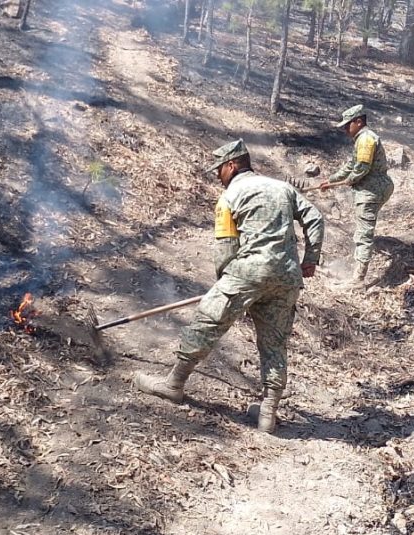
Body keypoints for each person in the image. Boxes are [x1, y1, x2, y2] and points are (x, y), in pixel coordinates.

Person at [134, 140, 325, 433]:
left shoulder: (230, 196)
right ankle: (267, 414)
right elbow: (315, 218)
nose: (217, 176)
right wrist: (310, 259)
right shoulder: (283, 188)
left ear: (232, 165)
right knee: (274, 343)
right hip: (287, 278)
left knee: (207, 321)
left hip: (248, 270)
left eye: (219, 169)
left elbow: (225, 249)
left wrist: (226, 284)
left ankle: (173, 384)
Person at [318, 104, 394, 285]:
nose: (345, 129)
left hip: (371, 191)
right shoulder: (361, 139)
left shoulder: (366, 139)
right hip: (372, 189)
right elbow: (351, 165)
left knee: (363, 234)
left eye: (347, 125)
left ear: (358, 122)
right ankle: (358, 270)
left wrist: (350, 180)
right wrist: (331, 180)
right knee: (363, 229)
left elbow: (361, 168)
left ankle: (358, 280)